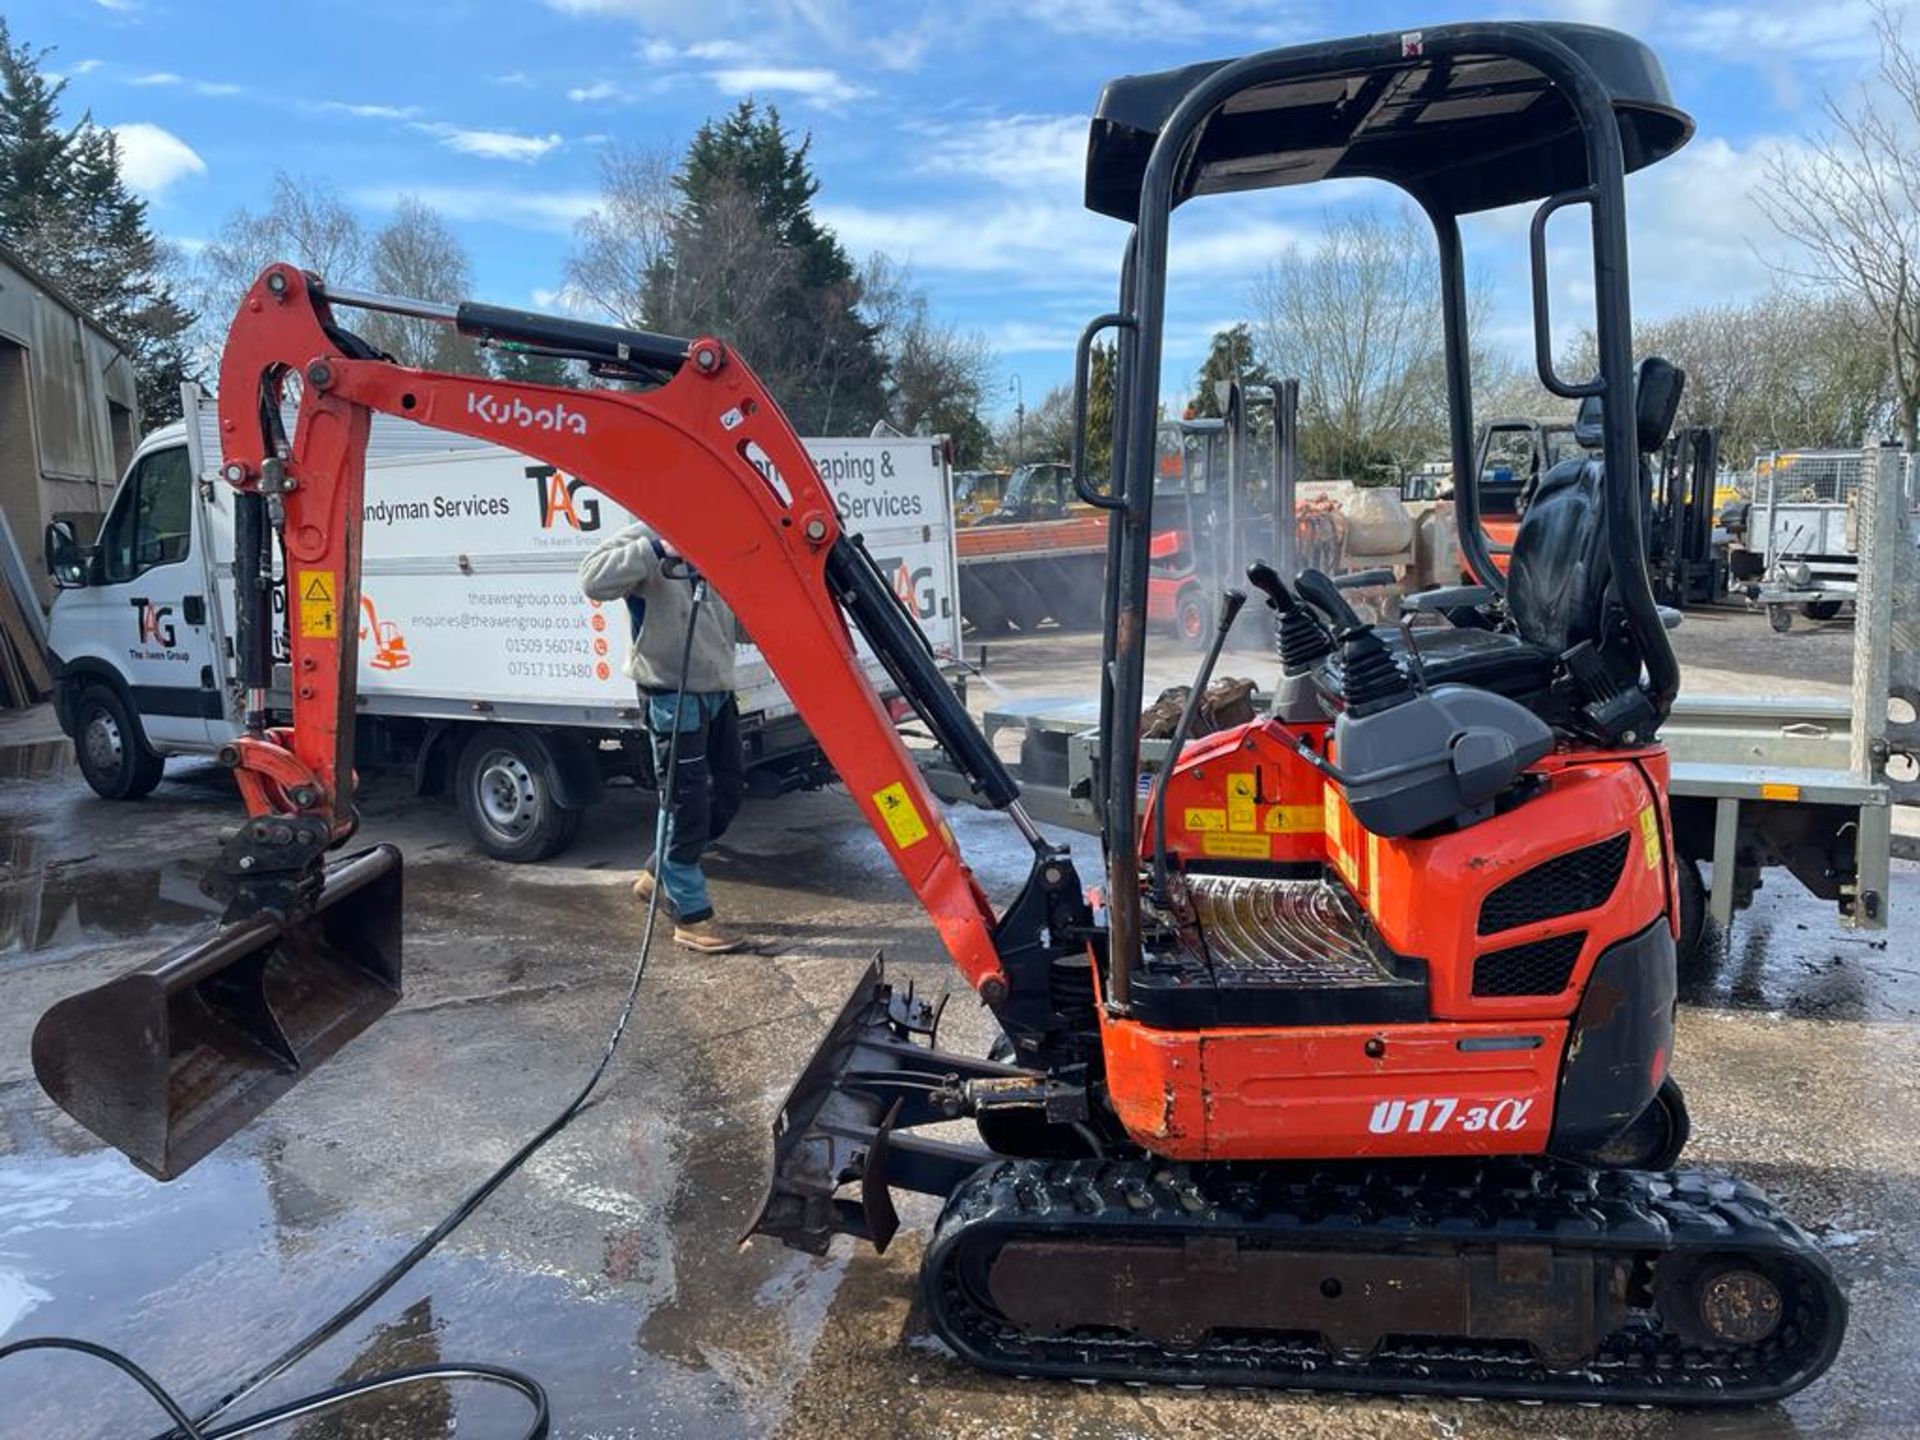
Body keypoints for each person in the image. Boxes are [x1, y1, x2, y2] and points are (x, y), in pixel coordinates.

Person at [580, 523, 748, 954]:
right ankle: (691, 917)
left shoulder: (715, 542)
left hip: (717, 690)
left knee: (726, 793)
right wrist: (658, 546)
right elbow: (593, 578)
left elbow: (737, 620)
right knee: (685, 804)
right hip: (672, 695)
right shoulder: (646, 539)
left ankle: (657, 874)